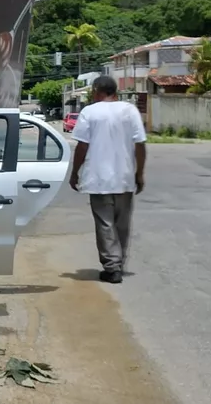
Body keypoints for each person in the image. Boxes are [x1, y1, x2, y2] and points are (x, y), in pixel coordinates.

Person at [69, 75, 146, 284]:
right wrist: (139, 173)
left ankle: (112, 267)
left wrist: (75, 172)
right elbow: (140, 144)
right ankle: (118, 264)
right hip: (125, 177)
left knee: (105, 224)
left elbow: (82, 146)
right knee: (122, 224)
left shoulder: (89, 112)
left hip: (98, 178)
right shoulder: (130, 110)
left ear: (96, 90)